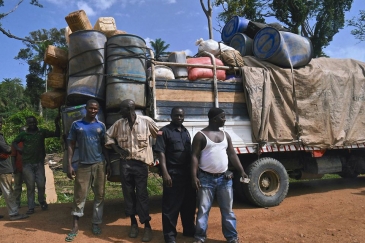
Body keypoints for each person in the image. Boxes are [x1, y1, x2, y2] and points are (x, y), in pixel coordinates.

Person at [191, 107, 248, 243]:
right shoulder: (200, 135)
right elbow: (194, 156)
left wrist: (241, 170)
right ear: (214, 119)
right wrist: (194, 176)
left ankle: (232, 238)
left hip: (224, 179)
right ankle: (199, 237)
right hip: (205, 179)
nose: (225, 119)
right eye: (223, 117)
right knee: (203, 210)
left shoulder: (225, 135)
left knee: (227, 211)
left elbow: (232, 154)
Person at [106, 99, 159, 242]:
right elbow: (107, 135)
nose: (119, 112)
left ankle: (147, 226)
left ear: (129, 109)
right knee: (128, 194)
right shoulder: (119, 124)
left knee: (142, 195)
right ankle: (133, 224)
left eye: (121, 109)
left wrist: (155, 155)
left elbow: (158, 135)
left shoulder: (146, 121)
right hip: (126, 165)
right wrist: (116, 148)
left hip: (141, 165)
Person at [65, 99, 109, 242]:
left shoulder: (101, 125)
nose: (93, 111)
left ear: (98, 110)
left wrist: (107, 164)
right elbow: (71, 145)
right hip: (83, 165)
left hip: (99, 164)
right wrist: (69, 164)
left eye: (95, 109)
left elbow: (104, 145)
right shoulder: (77, 125)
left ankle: (96, 223)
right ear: (86, 108)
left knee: (100, 195)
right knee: (79, 196)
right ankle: (75, 227)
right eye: (91, 108)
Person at [154, 107, 196, 243]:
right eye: (177, 115)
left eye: (181, 116)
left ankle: (189, 229)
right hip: (173, 174)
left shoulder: (185, 132)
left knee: (188, 205)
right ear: (171, 116)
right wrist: (165, 173)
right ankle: (170, 236)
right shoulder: (164, 132)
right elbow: (161, 153)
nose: (179, 118)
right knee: (171, 207)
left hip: (187, 174)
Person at [12, 115, 60, 215]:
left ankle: (42, 200)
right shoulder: (24, 135)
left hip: (39, 163)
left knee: (41, 184)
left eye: (34, 122)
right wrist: (19, 149)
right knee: (30, 186)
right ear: (27, 124)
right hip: (27, 164)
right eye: (30, 123)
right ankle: (31, 207)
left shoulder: (41, 132)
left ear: (36, 122)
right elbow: (14, 142)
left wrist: (56, 123)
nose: (32, 124)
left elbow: (56, 134)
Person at [0, 116, 29, 220]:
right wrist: (8, 149)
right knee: (8, 191)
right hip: (3, 168)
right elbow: (7, 149)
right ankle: (14, 213)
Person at [11, 126, 27, 208]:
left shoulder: (29, 142)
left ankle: (31, 202)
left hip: (28, 168)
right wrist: (14, 167)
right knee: (17, 186)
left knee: (30, 185)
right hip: (18, 167)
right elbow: (13, 156)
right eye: (22, 131)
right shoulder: (15, 143)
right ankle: (16, 203)